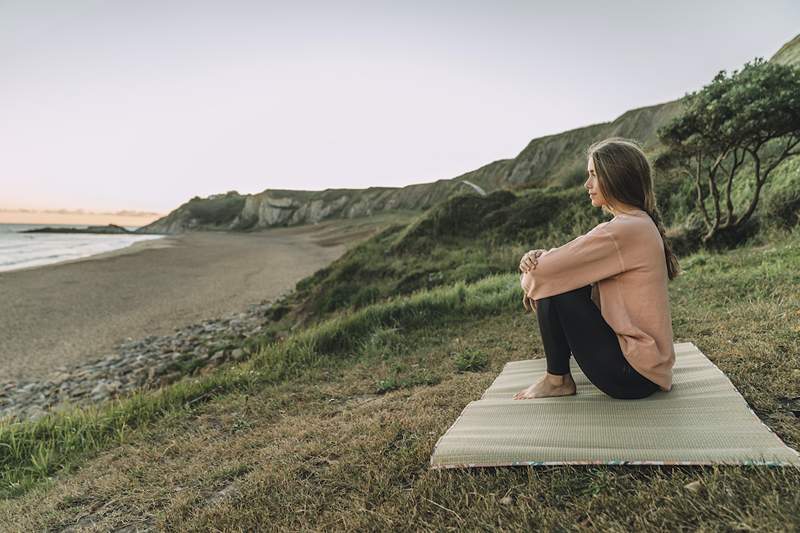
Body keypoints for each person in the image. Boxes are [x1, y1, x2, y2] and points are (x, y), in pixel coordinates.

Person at [514, 137, 681, 400]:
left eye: (593, 175)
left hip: (632, 374)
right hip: (645, 370)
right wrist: (541, 260)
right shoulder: (636, 224)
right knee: (560, 278)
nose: (587, 184)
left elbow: (541, 274)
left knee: (556, 287)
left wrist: (535, 268)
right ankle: (556, 379)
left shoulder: (623, 230)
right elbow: (565, 264)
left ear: (615, 178)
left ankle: (557, 380)